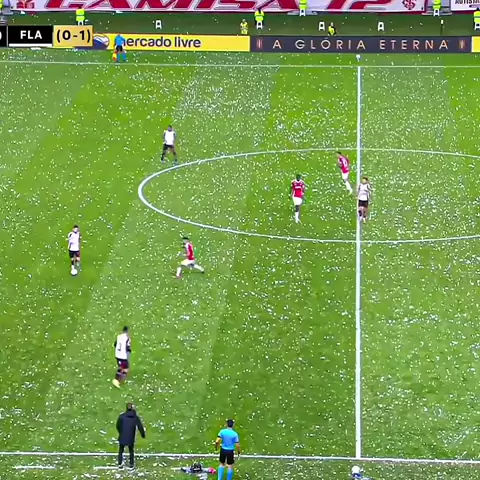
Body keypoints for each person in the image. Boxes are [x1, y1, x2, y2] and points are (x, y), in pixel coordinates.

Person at [116, 403, 146, 469]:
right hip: (131, 437)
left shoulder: (122, 416)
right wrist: (143, 435)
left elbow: (118, 426)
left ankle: (120, 463)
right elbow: (140, 426)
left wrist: (121, 432)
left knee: (121, 450)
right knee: (131, 450)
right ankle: (131, 464)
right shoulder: (135, 417)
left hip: (122, 436)